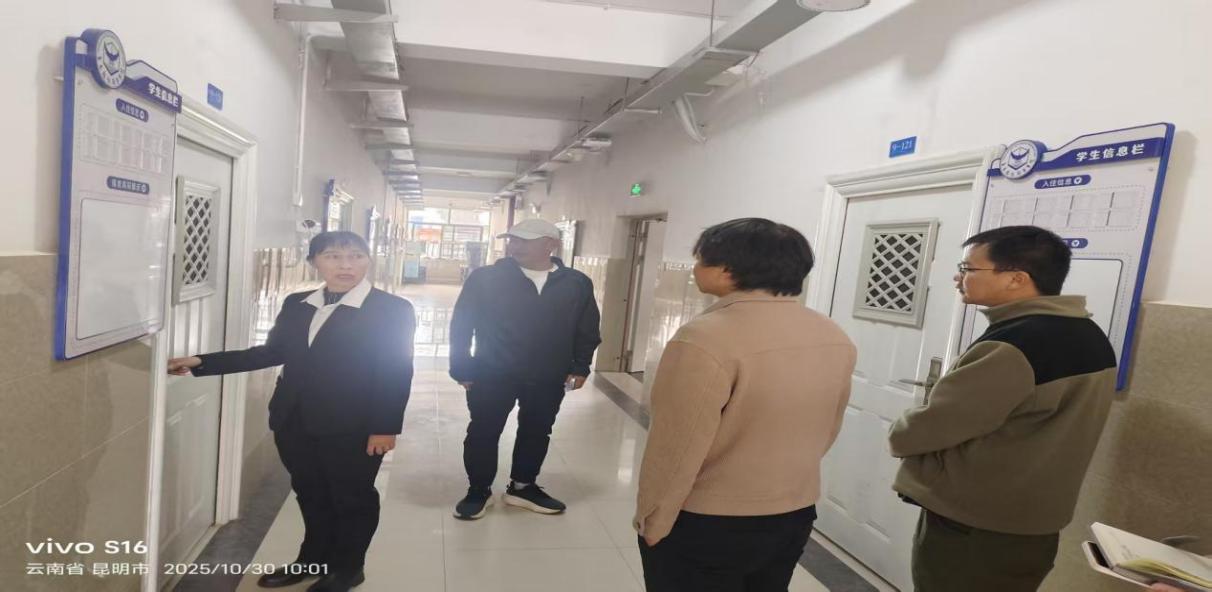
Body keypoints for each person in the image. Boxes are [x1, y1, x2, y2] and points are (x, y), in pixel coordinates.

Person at [167, 231, 415, 592]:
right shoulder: (298, 303)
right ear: (314, 262)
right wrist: (201, 362)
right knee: (311, 493)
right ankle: (312, 560)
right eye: (333, 256)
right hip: (294, 421)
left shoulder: (391, 309)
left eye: (355, 256)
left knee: (351, 498)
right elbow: (271, 352)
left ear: (368, 261)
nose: (346, 265)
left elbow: (396, 371)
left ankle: (348, 569)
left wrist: (385, 427)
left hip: (354, 425)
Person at [888, 225, 1117, 592]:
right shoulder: (1088, 334)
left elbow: (933, 426)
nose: (958, 278)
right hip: (1035, 522)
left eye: (968, 269)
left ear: (1016, 279)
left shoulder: (1015, 344)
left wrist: (898, 431)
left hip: (977, 527)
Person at [634, 218, 857, 592]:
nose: (694, 268)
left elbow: (677, 445)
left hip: (710, 521)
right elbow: (828, 428)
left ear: (726, 270)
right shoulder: (831, 334)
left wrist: (653, 518)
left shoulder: (704, 338)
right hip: (793, 513)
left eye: (700, 259)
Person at [449, 218, 602, 520]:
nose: (514, 246)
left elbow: (587, 327)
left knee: (537, 430)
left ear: (550, 244)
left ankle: (522, 486)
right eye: (512, 239)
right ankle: (479, 489)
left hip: (548, 375)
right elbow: (462, 324)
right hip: (492, 372)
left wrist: (580, 366)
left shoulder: (576, 283)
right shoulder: (486, 278)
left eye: (524, 240)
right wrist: (462, 367)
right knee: (483, 430)